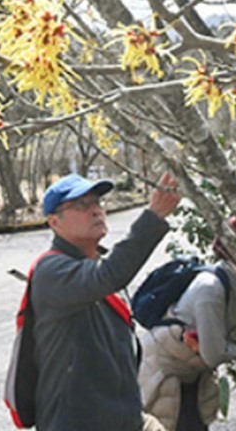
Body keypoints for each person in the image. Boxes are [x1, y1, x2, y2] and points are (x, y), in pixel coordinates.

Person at [32, 172, 181, 431]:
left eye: (97, 203)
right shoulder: (52, 271)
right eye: (81, 205)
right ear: (54, 222)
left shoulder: (93, 267)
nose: (96, 211)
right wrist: (153, 216)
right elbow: (111, 275)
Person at [138, 217, 236, 431]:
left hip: (195, 376)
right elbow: (215, 355)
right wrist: (227, 347)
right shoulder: (210, 289)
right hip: (162, 376)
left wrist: (222, 348)